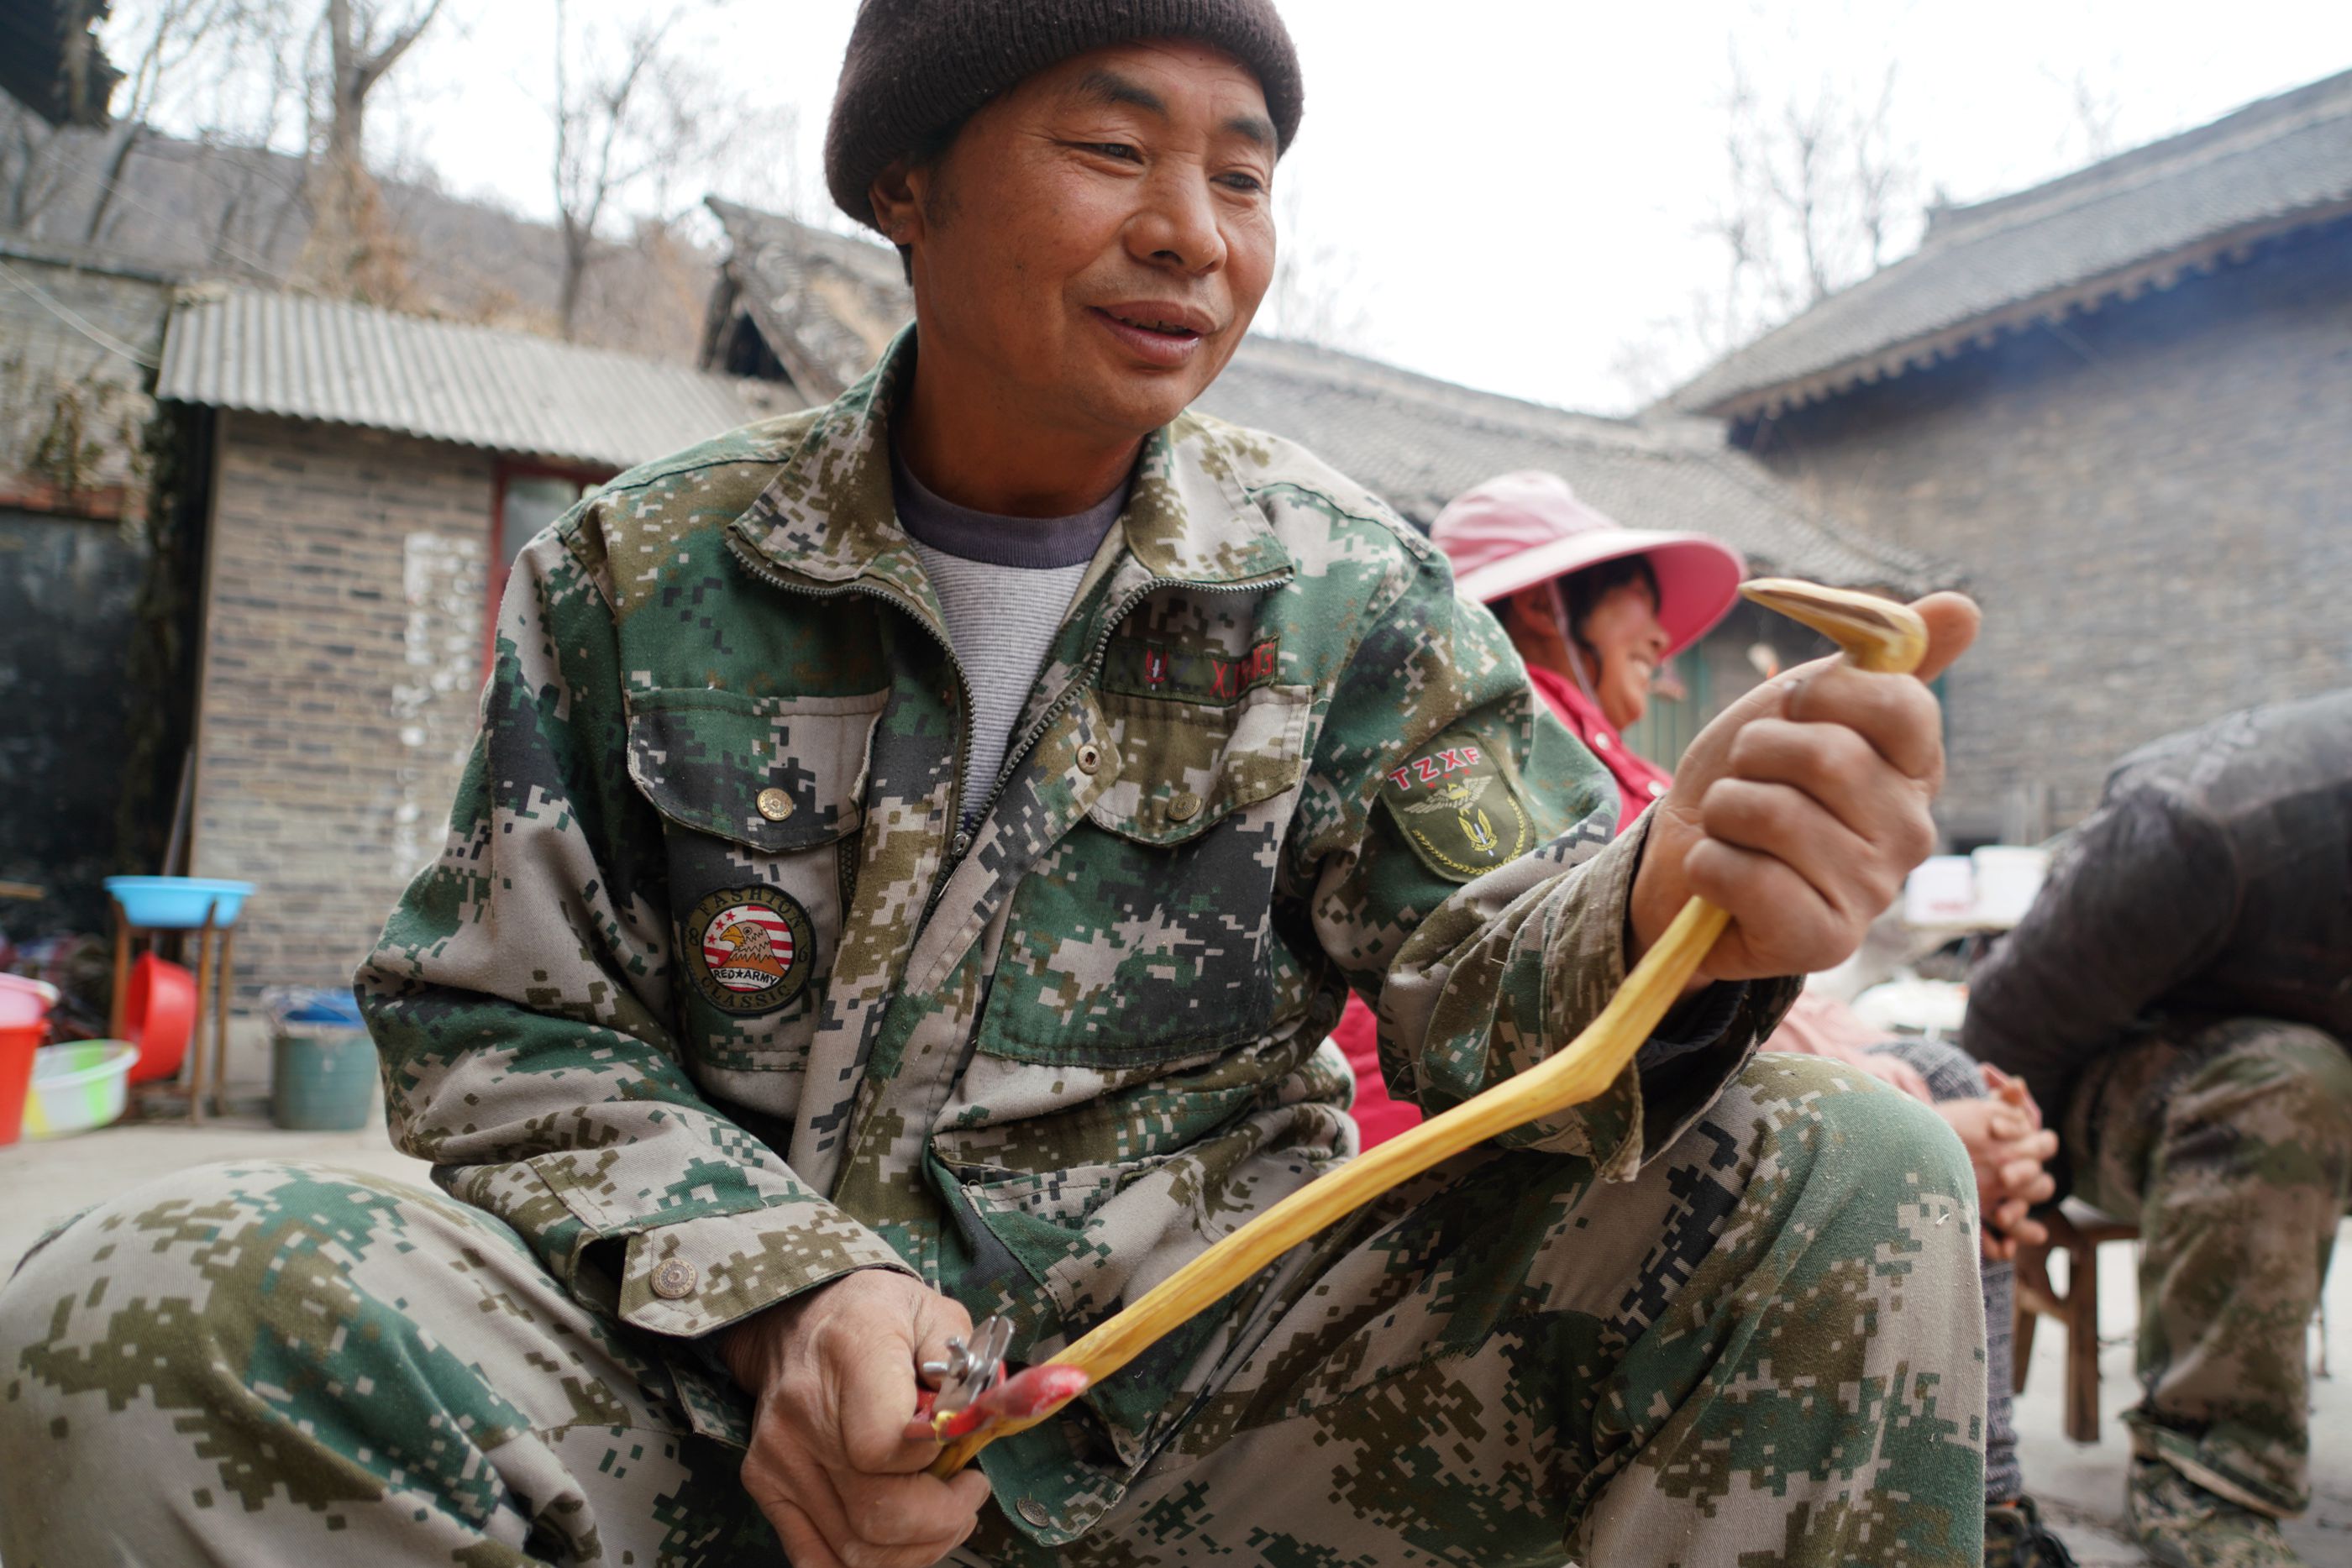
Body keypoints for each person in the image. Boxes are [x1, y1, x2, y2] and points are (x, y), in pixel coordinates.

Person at [0, 7, 1991, 1565]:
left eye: (1244, 173)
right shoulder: (642, 571)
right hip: (708, 1417)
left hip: (1220, 1414)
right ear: (907, 186)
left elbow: (1497, 963)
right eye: (1114, 147)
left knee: (1854, 1155)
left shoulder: (1346, 591)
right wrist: (788, 1297)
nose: (1193, 234)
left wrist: (1673, 893)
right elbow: (497, 1022)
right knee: (140, 1292)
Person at [1964, 691, 2352, 1568]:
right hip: (2123, 1089)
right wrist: (2010, 1192)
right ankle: (2206, 1478)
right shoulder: (2208, 821)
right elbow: (2006, 1035)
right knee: (2286, 1079)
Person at [1329, 469, 1744, 1143]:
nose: (1664, 639)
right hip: (1464, 1160)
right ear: (1546, 607)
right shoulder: (1503, 749)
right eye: (1639, 595)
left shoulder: (1592, 757)